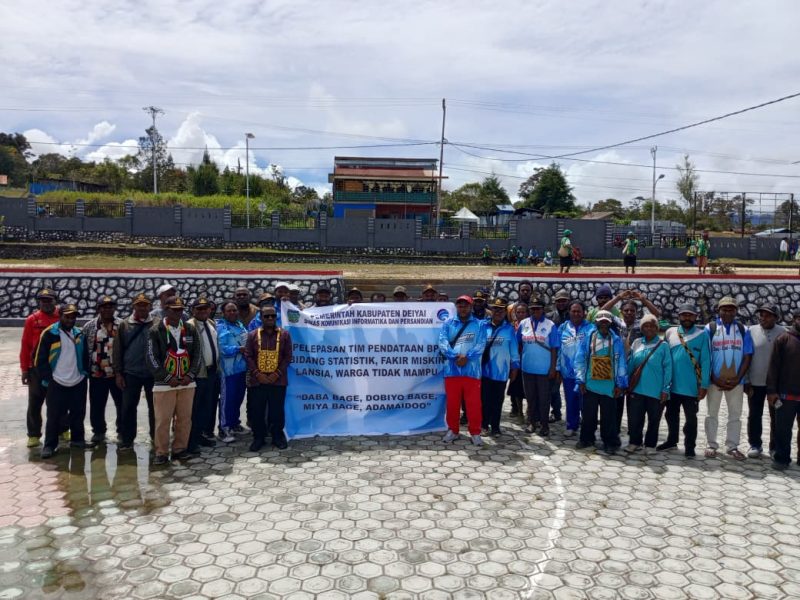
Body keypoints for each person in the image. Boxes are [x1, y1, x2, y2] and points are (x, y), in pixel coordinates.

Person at [145, 296, 201, 465]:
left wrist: (190, 375)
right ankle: (161, 452)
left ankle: (179, 449)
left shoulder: (190, 329)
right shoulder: (156, 330)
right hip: (164, 385)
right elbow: (151, 357)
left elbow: (197, 355)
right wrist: (168, 377)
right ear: (166, 309)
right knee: (163, 420)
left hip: (187, 383)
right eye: (174, 309)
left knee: (184, 418)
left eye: (180, 309)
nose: (178, 312)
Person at [35, 304, 94, 458]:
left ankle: (78, 440)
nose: (70, 319)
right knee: (54, 415)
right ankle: (50, 445)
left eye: (73, 316)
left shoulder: (79, 333)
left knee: (78, 413)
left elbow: (85, 355)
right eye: (67, 316)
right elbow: (40, 359)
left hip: (78, 381)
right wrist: (49, 379)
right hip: (57, 382)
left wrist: (84, 373)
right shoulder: (49, 334)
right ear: (60, 316)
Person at [704, 296, 753, 460]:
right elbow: (705, 356)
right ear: (718, 310)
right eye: (724, 309)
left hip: (736, 382)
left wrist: (739, 378)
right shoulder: (709, 328)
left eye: (731, 309)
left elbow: (747, 356)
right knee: (712, 414)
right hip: (714, 381)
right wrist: (713, 377)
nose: (728, 312)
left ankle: (732, 446)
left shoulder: (743, 329)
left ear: (736, 311)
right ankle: (711, 445)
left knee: (735, 415)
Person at [574, 310, 627, 453]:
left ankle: (610, 443)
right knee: (588, 416)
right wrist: (580, 380)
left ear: (610, 323)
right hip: (590, 384)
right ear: (596, 322)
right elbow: (580, 359)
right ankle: (586, 439)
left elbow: (621, 363)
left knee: (608, 417)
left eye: (606, 321)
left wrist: (620, 384)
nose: (604, 324)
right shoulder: (588, 338)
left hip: (609, 386)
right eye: (601, 321)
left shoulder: (616, 341)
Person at [661, 304, 711, 457]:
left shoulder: (702, 335)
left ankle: (690, 447)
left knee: (691, 419)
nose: (687, 318)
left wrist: (704, 385)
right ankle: (671, 440)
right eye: (684, 315)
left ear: (696, 317)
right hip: (672, 385)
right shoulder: (670, 332)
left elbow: (706, 361)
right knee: (670, 415)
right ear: (679, 316)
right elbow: (663, 357)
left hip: (691, 387)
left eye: (690, 315)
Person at [438, 295, 487, 446]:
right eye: (460, 305)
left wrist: (467, 357)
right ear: (456, 307)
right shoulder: (448, 324)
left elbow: (481, 344)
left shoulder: (480, 325)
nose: (462, 308)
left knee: (474, 404)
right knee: (452, 403)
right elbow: (442, 343)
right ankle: (453, 430)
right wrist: (455, 356)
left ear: (471, 307)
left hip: (472, 372)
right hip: (452, 371)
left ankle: (475, 432)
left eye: (465, 305)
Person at [244, 305, 293, 451]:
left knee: (276, 411)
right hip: (257, 381)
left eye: (273, 316)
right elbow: (248, 355)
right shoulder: (253, 335)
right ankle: (259, 437)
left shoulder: (284, 335)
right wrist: (258, 374)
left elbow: (288, 356)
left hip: (278, 380)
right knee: (257, 411)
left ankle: (277, 436)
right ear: (261, 318)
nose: (270, 318)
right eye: (267, 316)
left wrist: (276, 374)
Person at [113, 293, 157, 450]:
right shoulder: (125, 325)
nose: (142, 308)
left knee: (155, 408)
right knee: (128, 407)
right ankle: (127, 439)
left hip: (153, 374)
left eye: (145, 305)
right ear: (134, 306)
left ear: (150, 306)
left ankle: (156, 437)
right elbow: (117, 350)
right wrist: (118, 373)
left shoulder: (157, 323)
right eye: (139, 305)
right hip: (131, 373)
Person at [20, 288, 62, 448]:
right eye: (42, 300)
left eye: (49, 300)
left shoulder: (62, 317)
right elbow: (25, 346)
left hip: (58, 367)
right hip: (36, 369)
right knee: (35, 402)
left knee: (60, 401)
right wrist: (25, 369)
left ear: (55, 301)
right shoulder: (32, 320)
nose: (45, 303)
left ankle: (63, 429)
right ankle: (34, 434)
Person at [625, 315, 672, 455]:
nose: (649, 328)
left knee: (654, 420)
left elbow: (668, 368)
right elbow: (631, 364)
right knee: (634, 418)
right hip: (637, 389)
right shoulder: (637, 343)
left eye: (652, 325)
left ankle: (650, 445)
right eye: (646, 325)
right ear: (642, 328)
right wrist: (625, 383)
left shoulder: (663, 346)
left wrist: (665, 389)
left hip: (656, 391)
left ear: (657, 328)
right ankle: (635, 442)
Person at [745, 304, 785, 458]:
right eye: (761, 315)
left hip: (775, 386)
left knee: (776, 417)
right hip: (755, 383)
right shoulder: (751, 331)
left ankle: (774, 447)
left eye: (768, 315)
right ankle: (755, 444)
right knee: (754, 415)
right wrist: (746, 380)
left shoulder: (783, 333)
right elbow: (746, 356)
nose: (763, 318)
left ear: (776, 317)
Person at [82, 295, 123, 444]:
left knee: (121, 403)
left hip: (117, 373)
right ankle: (98, 431)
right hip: (96, 373)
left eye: (110, 306)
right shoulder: (89, 326)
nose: (107, 309)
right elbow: (83, 348)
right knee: (97, 404)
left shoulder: (122, 325)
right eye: (104, 307)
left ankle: (122, 430)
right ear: (98, 309)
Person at [517, 298, 560, 437]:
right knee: (530, 398)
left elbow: (554, 348)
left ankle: (544, 425)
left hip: (544, 369)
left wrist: (553, 367)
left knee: (544, 398)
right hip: (527, 368)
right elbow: (518, 343)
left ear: (543, 309)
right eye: (533, 308)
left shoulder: (550, 325)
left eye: (538, 308)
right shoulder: (523, 324)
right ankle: (531, 422)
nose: (535, 311)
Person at [480, 299, 520, 436]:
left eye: (501, 310)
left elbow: (514, 351)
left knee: (498, 400)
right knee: (485, 400)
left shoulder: (509, 330)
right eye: (495, 309)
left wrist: (514, 368)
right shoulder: (483, 326)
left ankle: (495, 427)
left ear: (505, 312)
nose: (498, 312)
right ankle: (484, 425)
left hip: (501, 372)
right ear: (492, 311)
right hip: (483, 371)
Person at [766, 309, 800, 469]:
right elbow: (773, 368)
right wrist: (772, 392)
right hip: (785, 396)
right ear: (794, 319)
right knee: (783, 430)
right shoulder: (784, 339)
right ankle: (782, 458)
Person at [187, 297, 220, 453]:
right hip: (198, 373)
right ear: (193, 310)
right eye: (198, 309)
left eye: (205, 308)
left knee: (206, 407)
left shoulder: (211, 323)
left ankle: (200, 435)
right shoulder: (189, 326)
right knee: (194, 408)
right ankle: (191, 440)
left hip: (212, 371)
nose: (202, 311)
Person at [557, 301, 592, 437]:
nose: (576, 314)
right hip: (568, 372)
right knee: (571, 399)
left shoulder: (591, 329)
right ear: (569, 312)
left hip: (586, 373)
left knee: (586, 402)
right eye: (573, 311)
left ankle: (587, 427)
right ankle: (572, 425)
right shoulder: (563, 328)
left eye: (579, 311)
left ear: (584, 313)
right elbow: (559, 349)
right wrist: (558, 368)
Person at [216, 300, 249, 442]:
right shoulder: (221, 327)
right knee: (227, 400)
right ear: (223, 313)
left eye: (234, 310)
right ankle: (224, 429)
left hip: (242, 369)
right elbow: (221, 349)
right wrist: (238, 349)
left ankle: (235, 424)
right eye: (229, 311)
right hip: (228, 371)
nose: (232, 313)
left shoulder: (240, 325)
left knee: (238, 399)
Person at [507, 303, 529, 419]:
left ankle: (529, 411)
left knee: (529, 388)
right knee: (516, 387)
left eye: (523, 312)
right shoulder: (510, 326)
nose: (521, 314)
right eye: (518, 312)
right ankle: (518, 411)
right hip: (515, 361)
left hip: (527, 359)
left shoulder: (530, 325)